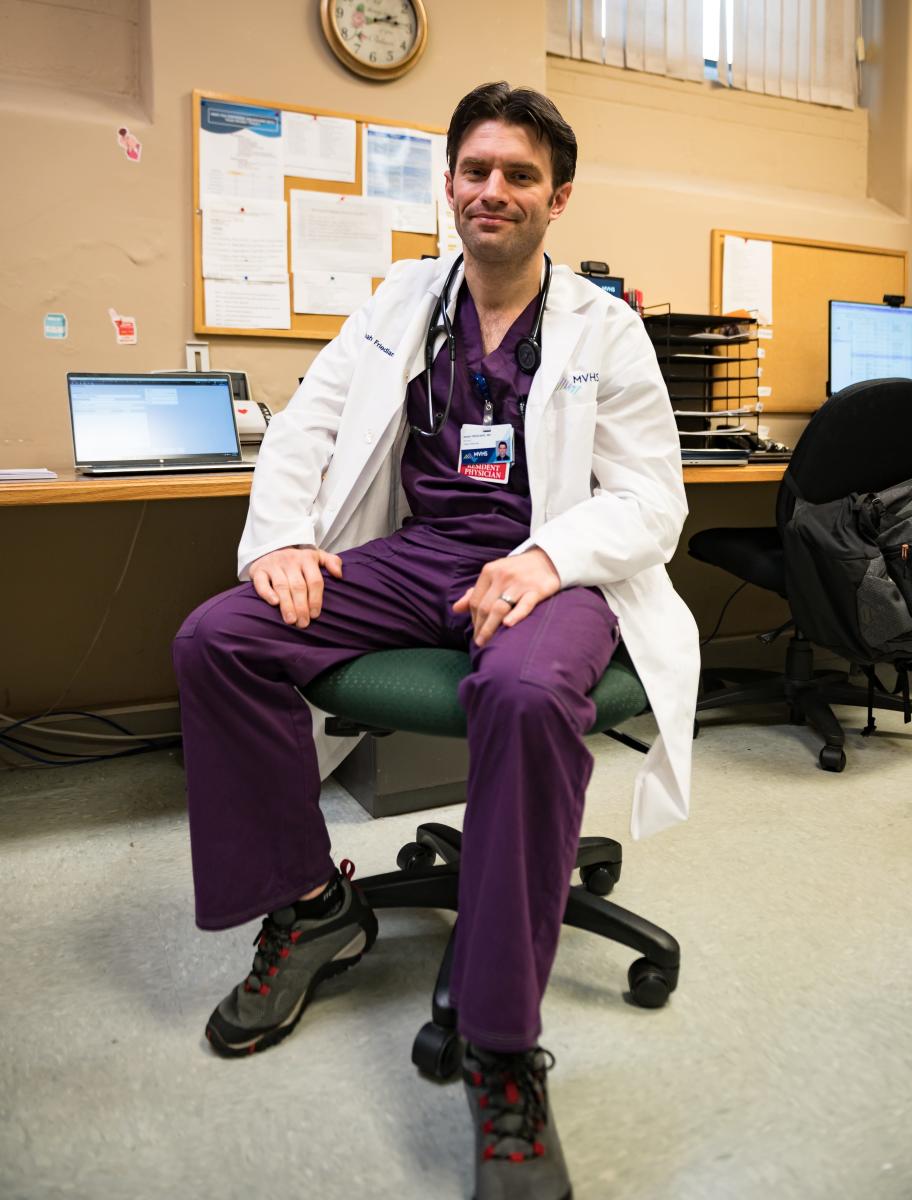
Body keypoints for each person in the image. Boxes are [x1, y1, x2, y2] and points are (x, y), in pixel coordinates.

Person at [173, 81, 699, 1200]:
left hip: (549, 567)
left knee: (517, 694)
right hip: (418, 556)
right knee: (222, 637)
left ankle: (504, 1050)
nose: (492, 190)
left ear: (559, 197)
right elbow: (308, 425)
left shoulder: (607, 330)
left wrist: (549, 561)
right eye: (475, 170)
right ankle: (314, 911)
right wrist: (278, 543)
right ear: (450, 185)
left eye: (518, 174)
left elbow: (656, 500)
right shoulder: (403, 300)